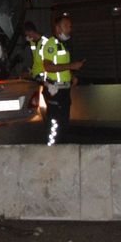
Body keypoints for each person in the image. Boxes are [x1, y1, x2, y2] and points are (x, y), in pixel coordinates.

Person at [42, 14, 85, 146]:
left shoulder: (62, 45)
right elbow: (48, 66)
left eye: (70, 26)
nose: (69, 28)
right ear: (58, 28)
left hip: (64, 90)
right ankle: (51, 152)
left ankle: (61, 150)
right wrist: (72, 66)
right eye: (66, 26)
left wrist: (71, 76)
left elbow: (61, 67)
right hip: (55, 90)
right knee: (55, 123)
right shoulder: (51, 44)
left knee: (64, 123)